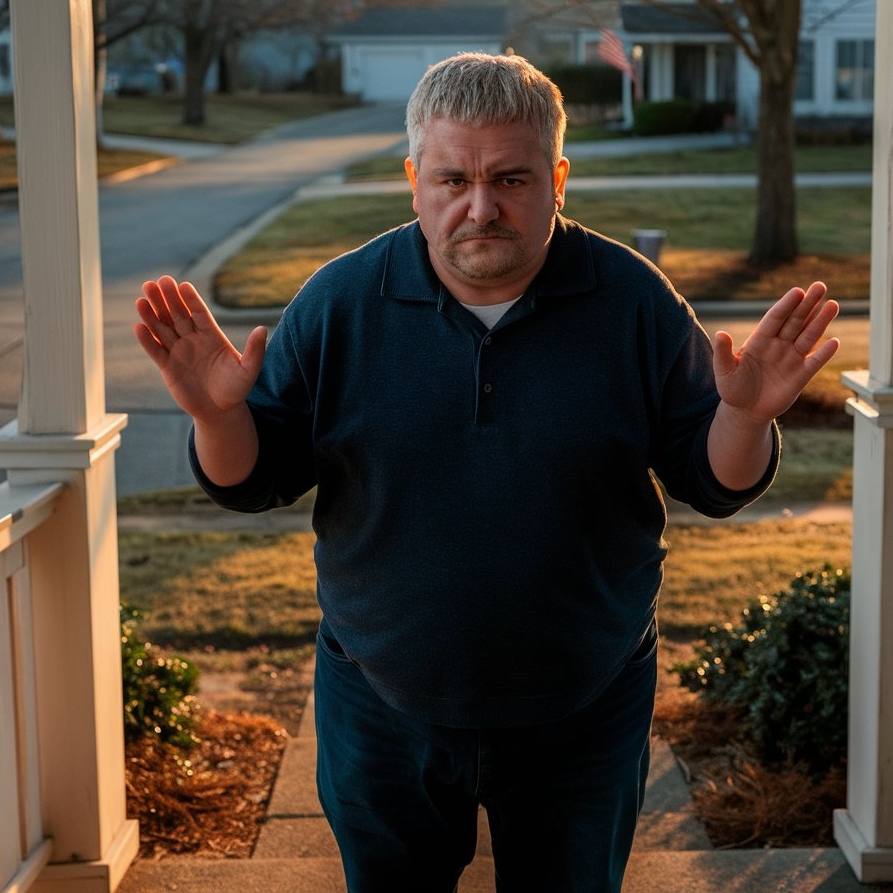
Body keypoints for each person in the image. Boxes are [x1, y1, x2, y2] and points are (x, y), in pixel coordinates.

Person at [134, 52, 839, 893]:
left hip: (585, 706)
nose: (480, 207)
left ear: (558, 178)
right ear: (413, 180)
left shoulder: (631, 299)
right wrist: (219, 417)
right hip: (378, 704)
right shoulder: (339, 303)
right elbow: (256, 480)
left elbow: (713, 482)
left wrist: (744, 415)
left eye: (511, 178)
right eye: (451, 179)